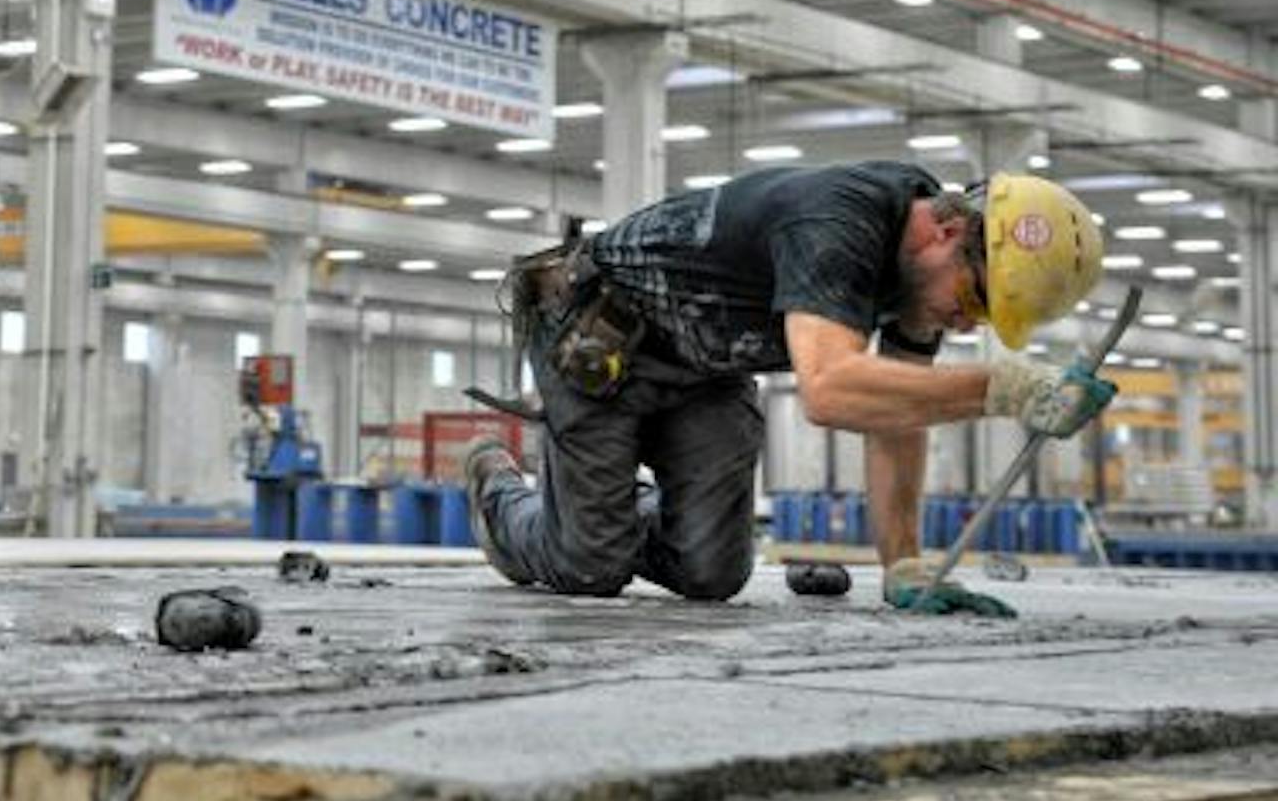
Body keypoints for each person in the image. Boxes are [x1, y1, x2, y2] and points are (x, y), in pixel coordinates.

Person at [464, 162, 1111, 617]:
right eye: (974, 298)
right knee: (588, 569)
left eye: (988, 318)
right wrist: (1006, 390)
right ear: (946, 233)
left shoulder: (922, 279)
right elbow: (828, 392)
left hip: (706, 368)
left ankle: (598, 505)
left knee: (711, 575)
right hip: (598, 338)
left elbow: (896, 410)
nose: (968, 322)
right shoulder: (840, 222)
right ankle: (499, 491)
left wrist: (904, 566)